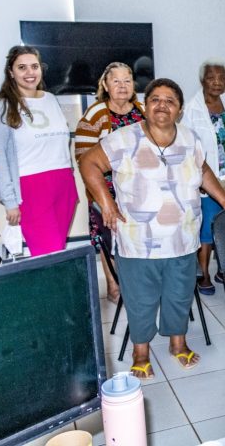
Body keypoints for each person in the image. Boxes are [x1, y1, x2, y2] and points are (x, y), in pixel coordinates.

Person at [79, 78, 225, 379]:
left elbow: (202, 170)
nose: (162, 105)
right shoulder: (123, 138)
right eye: (155, 99)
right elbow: (88, 163)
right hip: (137, 242)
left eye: (170, 101)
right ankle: (141, 352)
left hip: (183, 238)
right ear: (146, 105)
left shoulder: (190, 139)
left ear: (178, 109)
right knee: (141, 299)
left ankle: (178, 345)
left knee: (179, 295)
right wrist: (107, 204)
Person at [0, 45, 78, 256]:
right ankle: (54, 290)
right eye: (22, 67)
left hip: (63, 184)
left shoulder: (51, 99)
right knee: (48, 253)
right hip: (31, 189)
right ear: (11, 72)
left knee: (57, 252)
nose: (30, 73)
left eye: (34, 66)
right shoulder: (1, 106)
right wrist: (10, 202)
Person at [75, 62, 145, 303]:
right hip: (106, 190)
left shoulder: (142, 110)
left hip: (139, 190)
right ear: (105, 85)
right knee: (110, 236)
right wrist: (102, 194)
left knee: (134, 237)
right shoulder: (96, 113)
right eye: (116, 81)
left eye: (127, 80)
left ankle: (135, 284)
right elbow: (83, 156)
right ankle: (114, 286)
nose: (123, 86)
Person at [182, 59, 225, 295]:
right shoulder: (192, 108)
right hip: (207, 182)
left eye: (222, 78)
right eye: (212, 78)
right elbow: (189, 148)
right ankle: (204, 274)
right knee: (208, 229)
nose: (217, 82)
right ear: (202, 81)